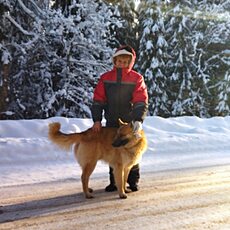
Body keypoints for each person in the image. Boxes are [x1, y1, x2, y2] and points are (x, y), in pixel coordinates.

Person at [91, 45, 148, 192]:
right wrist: (97, 119)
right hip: (112, 121)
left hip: (130, 122)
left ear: (130, 62)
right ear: (114, 61)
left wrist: (138, 120)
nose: (122, 64)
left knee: (132, 150)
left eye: (125, 61)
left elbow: (141, 100)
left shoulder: (137, 78)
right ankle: (114, 182)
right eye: (119, 61)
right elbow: (98, 99)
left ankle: (133, 180)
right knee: (114, 151)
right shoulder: (105, 78)